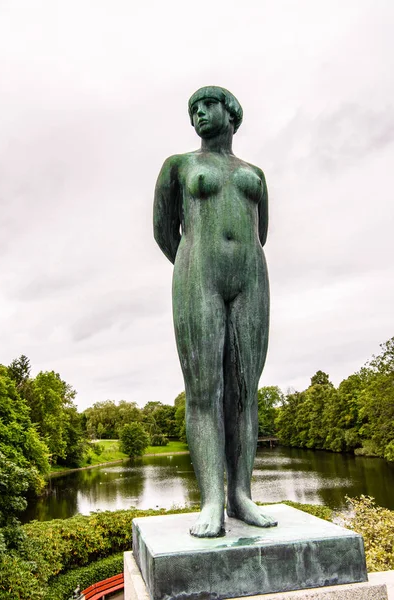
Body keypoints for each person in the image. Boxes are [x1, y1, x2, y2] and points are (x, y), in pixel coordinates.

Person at [153, 86, 277, 537]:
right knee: (205, 390)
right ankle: (210, 501)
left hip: (251, 279)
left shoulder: (254, 173)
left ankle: (241, 495)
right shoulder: (180, 165)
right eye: (193, 110)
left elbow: (261, 232)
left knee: (245, 388)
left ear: (231, 113)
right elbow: (163, 230)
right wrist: (193, 264)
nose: (199, 115)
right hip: (198, 276)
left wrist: (236, 260)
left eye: (207, 106)